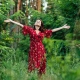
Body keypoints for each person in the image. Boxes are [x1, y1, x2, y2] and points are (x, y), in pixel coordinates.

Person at [4, 19, 70, 78]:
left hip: (41, 49)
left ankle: (39, 78)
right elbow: (21, 25)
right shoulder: (31, 30)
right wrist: (11, 21)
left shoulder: (43, 32)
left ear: (41, 25)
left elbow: (52, 30)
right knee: (32, 62)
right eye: (37, 21)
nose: (38, 22)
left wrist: (62, 27)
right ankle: (30, 77)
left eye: (39, 21)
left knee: (41, 63)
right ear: (35, 23)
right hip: (33, 48)